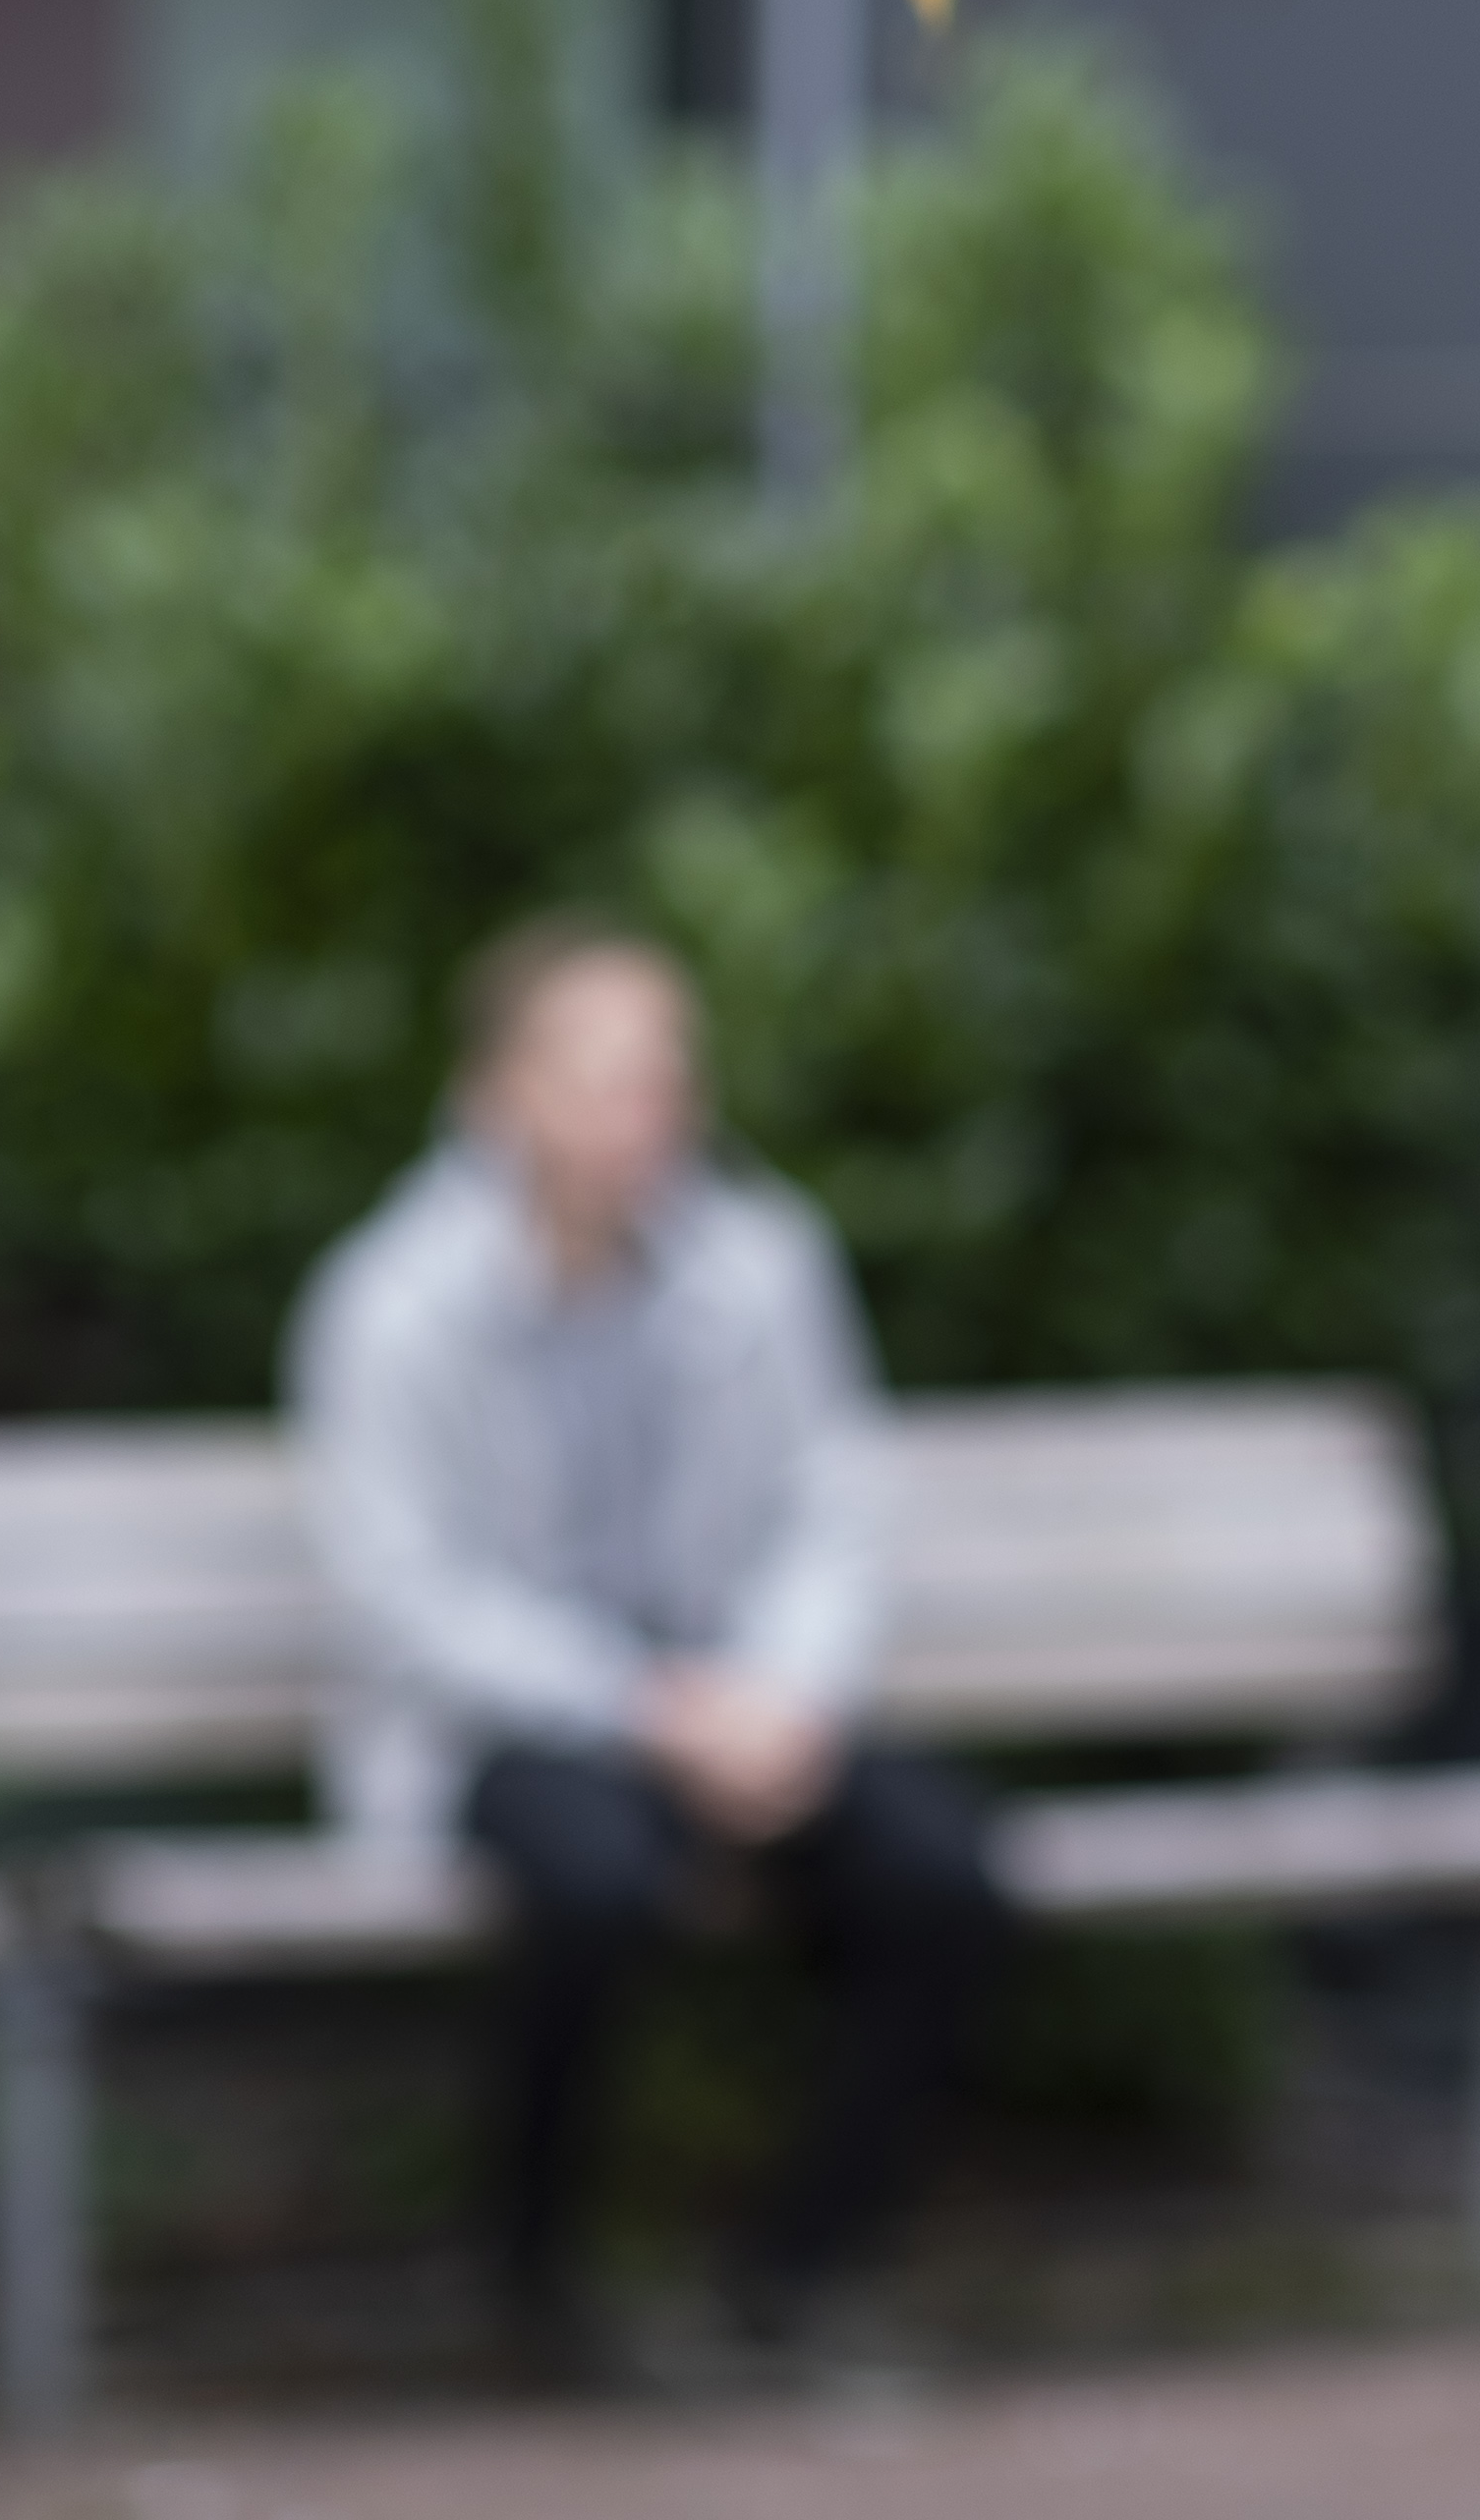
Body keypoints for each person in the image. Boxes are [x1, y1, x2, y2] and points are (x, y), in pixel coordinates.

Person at [288, 920, 994, 2378]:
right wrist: (644, 1706)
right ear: (499, 1095)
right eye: (608, 1075)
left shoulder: (765, 1264)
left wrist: (784, 1696)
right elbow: (405, 1601)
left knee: (945, 1873)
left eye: (670, 1075)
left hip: (744, 1704)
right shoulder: (392, 1303)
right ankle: (532, 2285)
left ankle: (793, 2274)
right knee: (597, 1882)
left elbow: (835, 1516)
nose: (650, 1109)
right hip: (516, 1727)